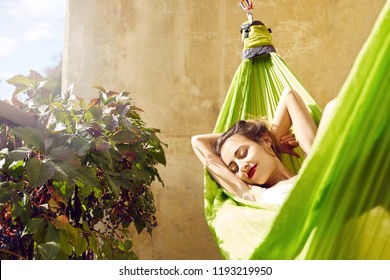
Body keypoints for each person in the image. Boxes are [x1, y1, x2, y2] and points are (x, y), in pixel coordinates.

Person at [192, 88, 336, 205]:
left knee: (333, 109)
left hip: (334, 199)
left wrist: (272, 139)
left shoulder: (314, 168)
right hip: (312, 232)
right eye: (234, 169)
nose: (242, 167)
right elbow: (198, 142)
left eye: (243, 153)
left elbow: (289, 96)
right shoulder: (252, 194)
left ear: (265, 140)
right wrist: (271, 142)